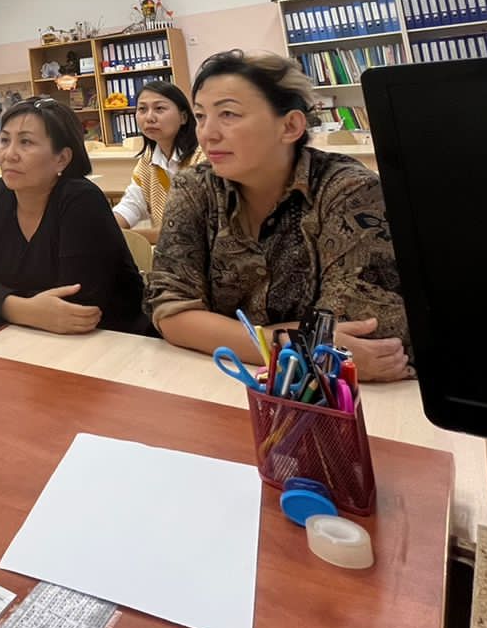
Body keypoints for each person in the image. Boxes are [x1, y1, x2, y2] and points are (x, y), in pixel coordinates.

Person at [144, 49, 412, 381]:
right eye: (200, 116)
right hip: (229, 379)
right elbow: (171, 312)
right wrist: (291, 342)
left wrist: (218, 332)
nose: (208, 133)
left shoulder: (349, 191)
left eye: (228, 114)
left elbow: (357, 338)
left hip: (349, 398)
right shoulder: (195, 188)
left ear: (290, 126)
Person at [0, 97, 150, 335]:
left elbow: (77, 307)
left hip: (115, 340)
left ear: (62, 158)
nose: (9, 154)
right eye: (5, 140)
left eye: (26, 142)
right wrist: (26, 310)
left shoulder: (81, 200)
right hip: (29, 335)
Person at [114, 81, 205, 239]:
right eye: (142, 109)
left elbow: (190, 227)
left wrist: (132, 236)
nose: (149, 117)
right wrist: (104, 227)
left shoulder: (203, 158)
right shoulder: (148, 160)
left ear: (183, 117)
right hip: (170, 255)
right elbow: (131, 205)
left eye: (159, 109)